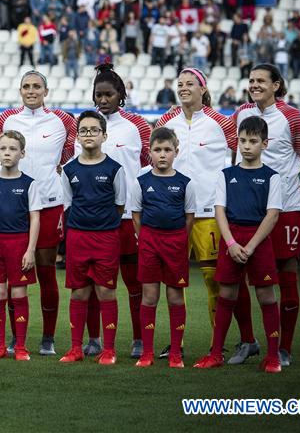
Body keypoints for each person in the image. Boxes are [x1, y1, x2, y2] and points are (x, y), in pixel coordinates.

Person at [230, 64, 300, 367]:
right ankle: (248, 341)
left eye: (261, 81)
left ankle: (285, 348)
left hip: (286, 207)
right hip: (246, 208)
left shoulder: (292, 116)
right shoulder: (241, 113)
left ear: (276, 85)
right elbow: (230, 152)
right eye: (251, 80)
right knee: (236, 275)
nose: (254, 85)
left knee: (285, 274)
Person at [0, 71, 76, 355]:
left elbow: (68, 153)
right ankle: (17, 337)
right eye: (26, 86)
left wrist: (54, 169)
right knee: (15, 273)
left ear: (46, 91)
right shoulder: (6, 119)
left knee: (45, 269)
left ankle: (48, 337)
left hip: (50, 203)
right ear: (20, 90)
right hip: (13, 205)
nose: (31, 91)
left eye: (36, 86)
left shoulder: (62, 120)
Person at [155, 68, 237, 358]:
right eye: (180, 84)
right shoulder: (166, 120)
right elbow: (153, 153)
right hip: (173, 214)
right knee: (174, 281)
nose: (184, 88)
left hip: (208, 212)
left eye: (190, 83)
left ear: (203, 89)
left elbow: (240, 154)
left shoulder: (220, 122)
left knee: (215, 280)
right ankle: (176, 343)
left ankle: (219, 343)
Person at [193, 116, 283, 373]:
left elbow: (272, 214)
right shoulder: (226, 175)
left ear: (265, 144)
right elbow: (219, 210)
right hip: (231, 239)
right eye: (242, 140)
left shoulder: (271, 177)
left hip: (259, 241)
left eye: (253, 141)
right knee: (227, 294)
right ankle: (215, 353)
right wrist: (231, 243)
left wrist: (251, 246)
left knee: (266, 296)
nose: (246, 146)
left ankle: (273, 357)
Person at [82, 63, 150, 359]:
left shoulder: (137, 126)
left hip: (127, 218)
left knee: (134, 282)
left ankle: (138, 339)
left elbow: (146, 164)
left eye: (108, 94)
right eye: (98, 95)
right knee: (95, 282)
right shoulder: (85, 126)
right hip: (94, 219)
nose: (103, 100)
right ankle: (94, 339)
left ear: (120, 95)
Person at [59, 111, 127, 365]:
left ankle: (108, 350)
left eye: (94, 130)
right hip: (77, 237)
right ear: (77, 137)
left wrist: (102, 224)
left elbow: (119, 205)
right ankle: (76, 348)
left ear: (104, 135)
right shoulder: (69, 169)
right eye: (84, 130)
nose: (89, 134)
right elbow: (68, 204)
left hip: (106, 237)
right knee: (78, 293)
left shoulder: (114, 169)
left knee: (106, 292)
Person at [128, 127, 197, 368]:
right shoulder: (141, 181)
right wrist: (145, 239)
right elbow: (136, 215)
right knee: (149, 295)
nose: (163, 154)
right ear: (150, 153)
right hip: (149, 242)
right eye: (157, 150)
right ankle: (147, 352)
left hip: (175, 243)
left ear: (176, 152)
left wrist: (179, 241)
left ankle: (176, 352)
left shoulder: (185, 183)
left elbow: (190, 217)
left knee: (175, 296)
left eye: (167, 150)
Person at [0, 131, 40, 361]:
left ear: (22, 153)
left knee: (18, 293)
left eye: (12, 149)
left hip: (19, 244)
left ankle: (21, 346)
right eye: (3, 148)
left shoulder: (29, 184)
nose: (7, 152)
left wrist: (30, 249)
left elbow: (35, 217)